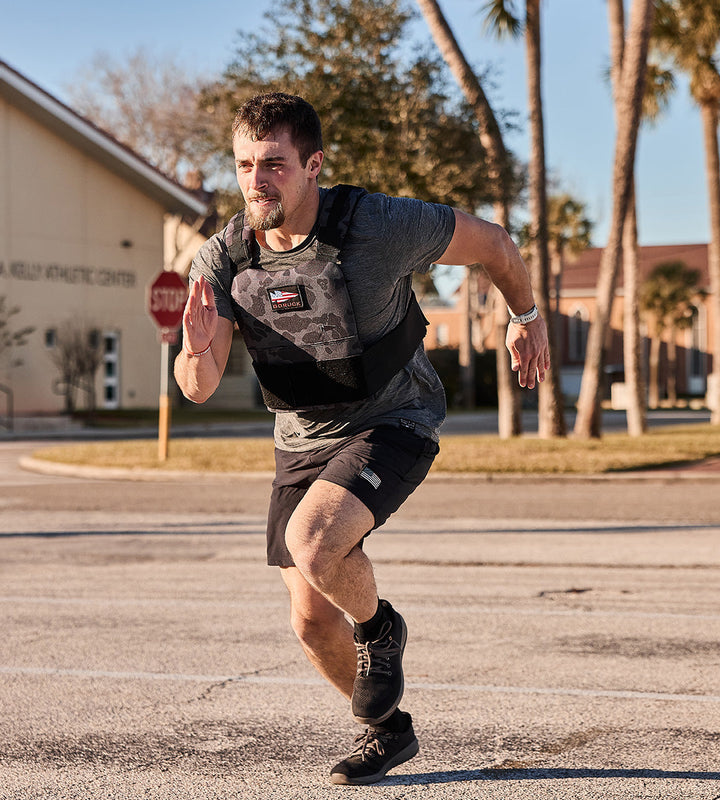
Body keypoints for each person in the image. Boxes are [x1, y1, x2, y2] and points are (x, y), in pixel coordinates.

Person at [174, 92, 549, 786]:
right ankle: (388, 731)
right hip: (301, 440)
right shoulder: (223, 260)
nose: (257, 181)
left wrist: (525, 314)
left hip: (393, 418)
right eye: (246, 165)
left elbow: (495, 242)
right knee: (312, 624)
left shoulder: (377, 223)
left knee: (313, 541)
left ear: (313, 165)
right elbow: (197, 386)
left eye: (275, 165)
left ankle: (380, 629)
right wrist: (195, 352)